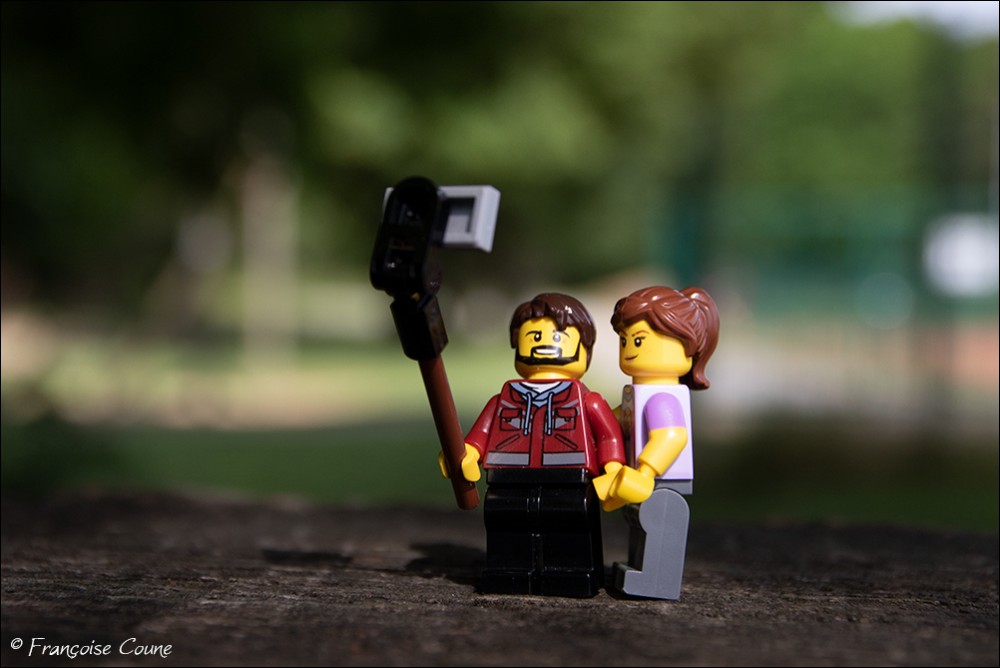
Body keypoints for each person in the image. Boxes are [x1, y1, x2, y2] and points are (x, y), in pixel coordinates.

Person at [447, 293, 625, 597]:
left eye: (557, 336)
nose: (545, 343)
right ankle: (510, 571)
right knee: (506, 517)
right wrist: (468, 454)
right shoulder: (504, 398)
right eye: (534, 336)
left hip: (570, 476)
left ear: (584, 349)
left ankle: (570, 573)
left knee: (569, 520)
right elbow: (481, 432)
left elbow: (609, 436)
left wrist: (613, 468)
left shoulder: (588, 400)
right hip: (508, 475)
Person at [597, 285, 719, 599]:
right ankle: (637, 568)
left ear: (685, 344)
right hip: (641, 477)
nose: (629, 348)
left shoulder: (662, 397)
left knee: (658, 524)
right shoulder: (638, 393)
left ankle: (655, 580)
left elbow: (672, 436)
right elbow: (619, 421)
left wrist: (646, 472)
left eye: (638, 340)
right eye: (624, 340)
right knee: (638, 522)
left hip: (662, 478)